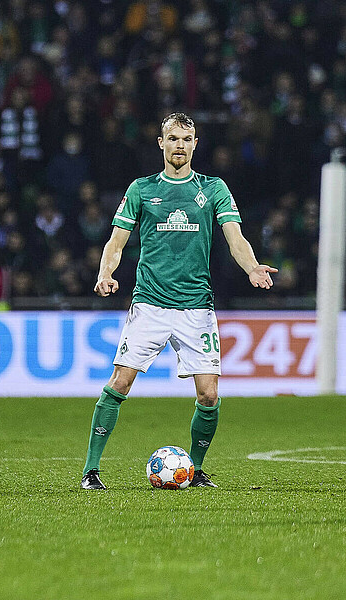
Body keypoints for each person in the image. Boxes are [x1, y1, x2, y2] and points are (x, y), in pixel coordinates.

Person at [80, 112, 277, 490]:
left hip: (196, 308)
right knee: (120, 382)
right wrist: (105, 274)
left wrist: (252, 267)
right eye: (173, 139)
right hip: (150, 304)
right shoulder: (141, 189)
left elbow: (235, 237)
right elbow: (116, 242)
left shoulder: (213, 188)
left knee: (209, 393)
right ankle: (92, 470)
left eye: (187, 139)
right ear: (161, 143)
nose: (180, 146)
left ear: (195, 144)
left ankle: (197, 469)